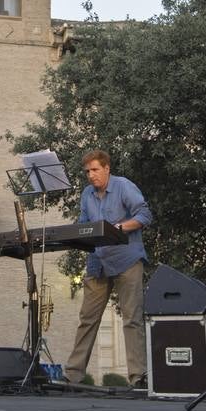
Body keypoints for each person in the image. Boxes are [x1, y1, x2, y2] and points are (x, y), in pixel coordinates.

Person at [64, 149, 154, 389]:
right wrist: (73, 234)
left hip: (127, 259)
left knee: (131, 318)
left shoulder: (123, 186)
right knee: (87, 318)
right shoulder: (86, 194)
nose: (91, 175)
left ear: (106, 168)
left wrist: (118, 228)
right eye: (87, 172)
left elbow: (144, 215)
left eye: (95, 170)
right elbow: (84, 224)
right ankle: (73, 375)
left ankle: (138, 376)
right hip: (98, 262)